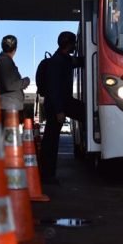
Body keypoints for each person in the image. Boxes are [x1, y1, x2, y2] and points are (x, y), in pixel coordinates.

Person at [39, 31, 84, 184]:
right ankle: (46, 175)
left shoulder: (63, 59)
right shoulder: (57, 62)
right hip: (57, 105)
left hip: (62, 103)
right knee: (50, 142)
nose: (76, 45)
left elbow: (78, 62)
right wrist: (59, 111)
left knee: (51, 140)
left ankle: (46, 174)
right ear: (69, 44)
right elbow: (53, 89)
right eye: (74, 43)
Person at [0, 35, 30, 125]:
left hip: (7, 106)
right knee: (9, 137)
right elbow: (9, 85)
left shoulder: (1, 61)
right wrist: (25, 81)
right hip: (9, 108)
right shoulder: (5, 62)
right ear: (15, 49)